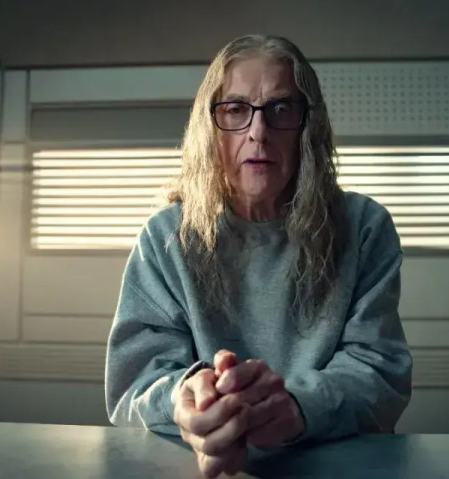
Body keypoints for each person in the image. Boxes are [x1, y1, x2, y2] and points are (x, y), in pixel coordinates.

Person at [105, 34, 412, 478]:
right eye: (235, 109)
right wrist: (190, 399)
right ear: (209, 126)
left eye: (281, 109)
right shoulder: (166, 237)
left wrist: (294, 407)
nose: (258, 132)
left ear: (308, 127)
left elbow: (378, 372)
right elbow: (136, 381)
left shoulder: (364, 228)